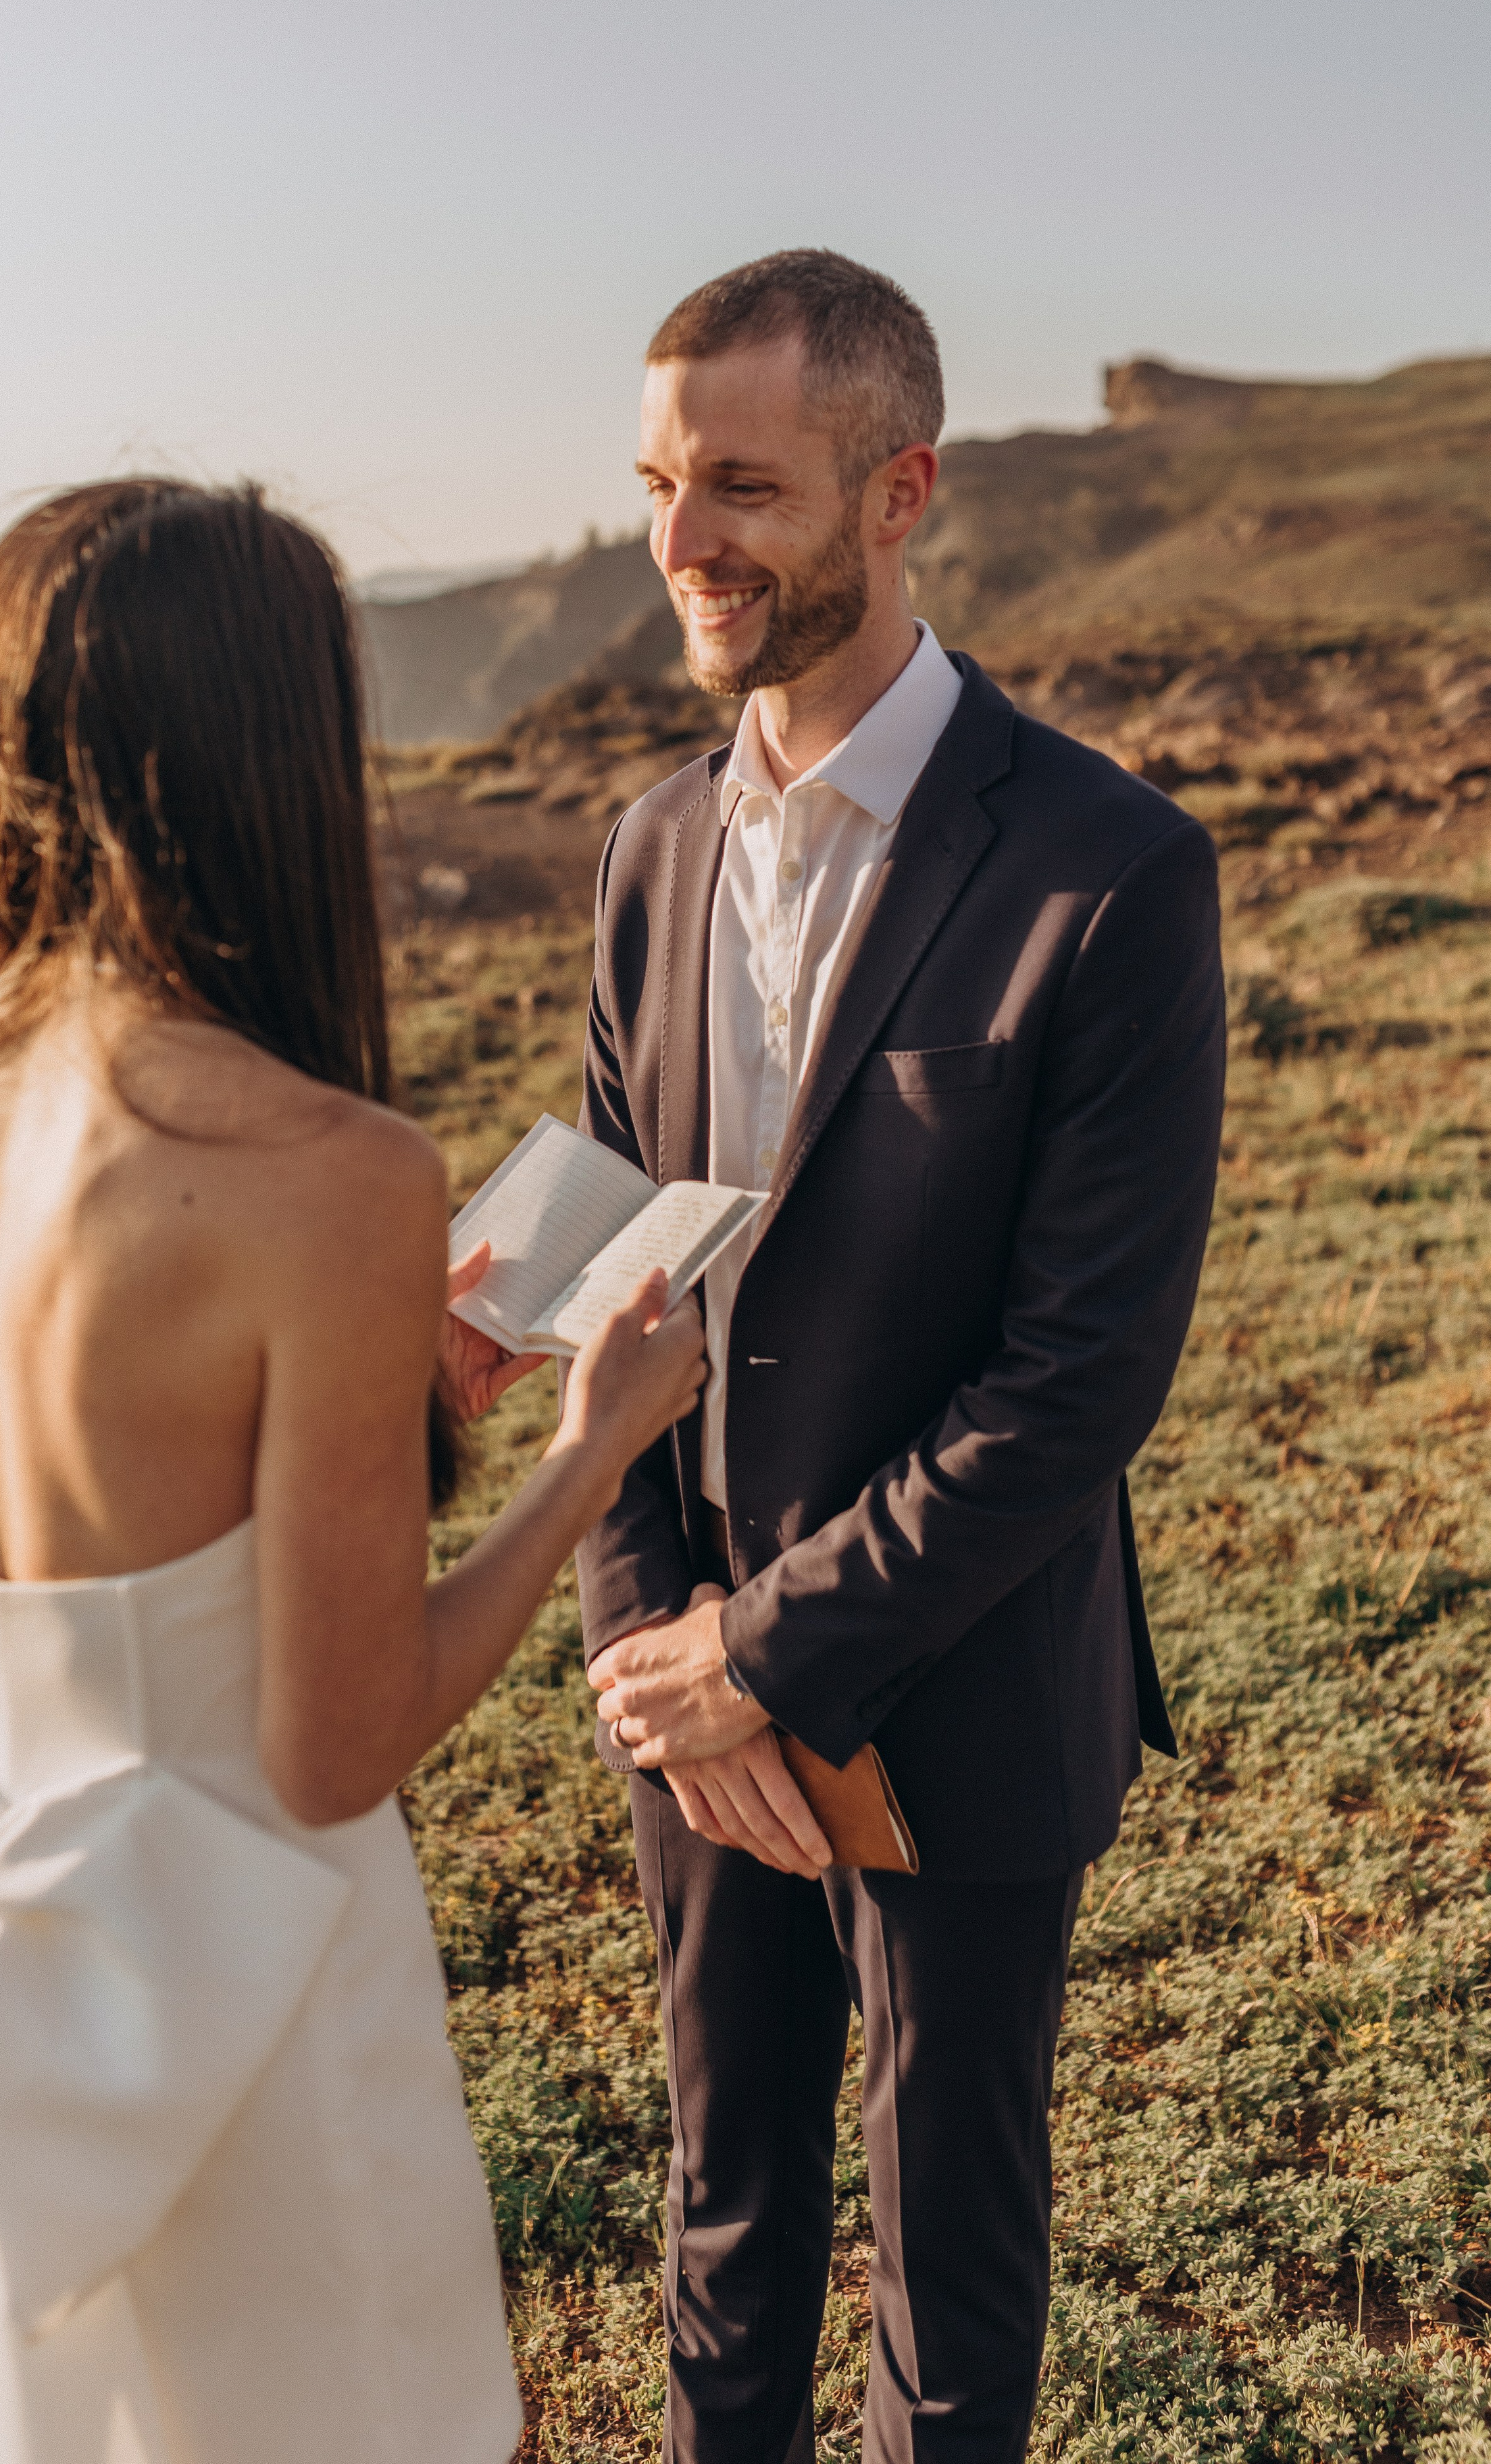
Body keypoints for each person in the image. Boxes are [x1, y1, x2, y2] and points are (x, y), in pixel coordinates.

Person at [0, 478, 705, 2464]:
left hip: (2, 1985)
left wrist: (383, 1384)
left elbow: (100, 1496)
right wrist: (589, 1449)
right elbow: (330, 1746)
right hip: (245, 2005)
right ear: (277, 754)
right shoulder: (330, 1175)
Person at [581, 251, 1227, 2463]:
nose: (684, 542)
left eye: (743, 487)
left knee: (948, 2284)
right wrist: (658, 1658)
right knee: (725, 2221)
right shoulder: (644, 855)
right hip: (689, 1702)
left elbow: (1080, 1382)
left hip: (963, 1691)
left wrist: (771, 1654)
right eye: (659, 486)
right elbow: (616, 1296)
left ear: (900, 492)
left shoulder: (1113, 873)